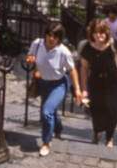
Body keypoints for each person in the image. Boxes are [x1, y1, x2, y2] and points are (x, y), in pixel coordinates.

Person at [25, 22, 82, 157]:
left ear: (59, 39)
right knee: (51, 111)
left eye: (55, 37)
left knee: (46, 112)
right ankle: (58, 129)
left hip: (58, 85)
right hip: (43, 83)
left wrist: (77, 89)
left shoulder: (63, 52)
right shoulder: (37, 44)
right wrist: (30, 60)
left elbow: (72, 70)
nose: (51, 39)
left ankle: (46, 142)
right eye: (49, 35)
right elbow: (30, 56)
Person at [79, 18, 117, 146]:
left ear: (106, 33)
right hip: (96, 83)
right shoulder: (87, 48)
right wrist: (84, 88)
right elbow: (84, 69)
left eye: (102, 32)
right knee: (97, 110)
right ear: (91, 33)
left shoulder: (115, 45)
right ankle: (97, 131)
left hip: (113, 82)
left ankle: (109, 137)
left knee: (114, 111)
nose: (99, 35)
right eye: (96, 32)